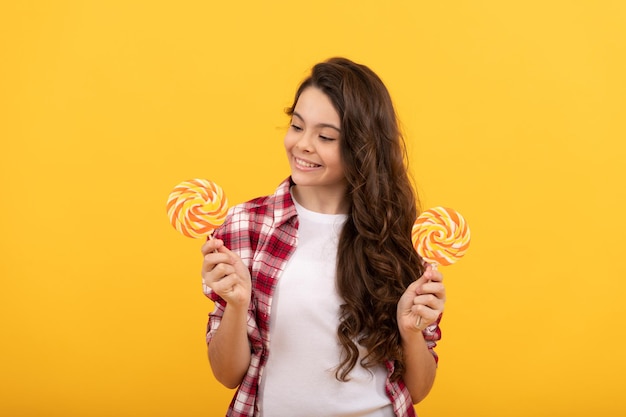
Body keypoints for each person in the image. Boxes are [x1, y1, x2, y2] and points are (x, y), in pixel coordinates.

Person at [201, 57, 446, 417]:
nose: (302, 144)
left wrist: (411, 330)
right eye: (297, 126)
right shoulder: (245, 226)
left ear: (362, 147)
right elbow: (227, 374)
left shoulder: (403, 238)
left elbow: (419, 390)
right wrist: (236, 305)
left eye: (326, 136)